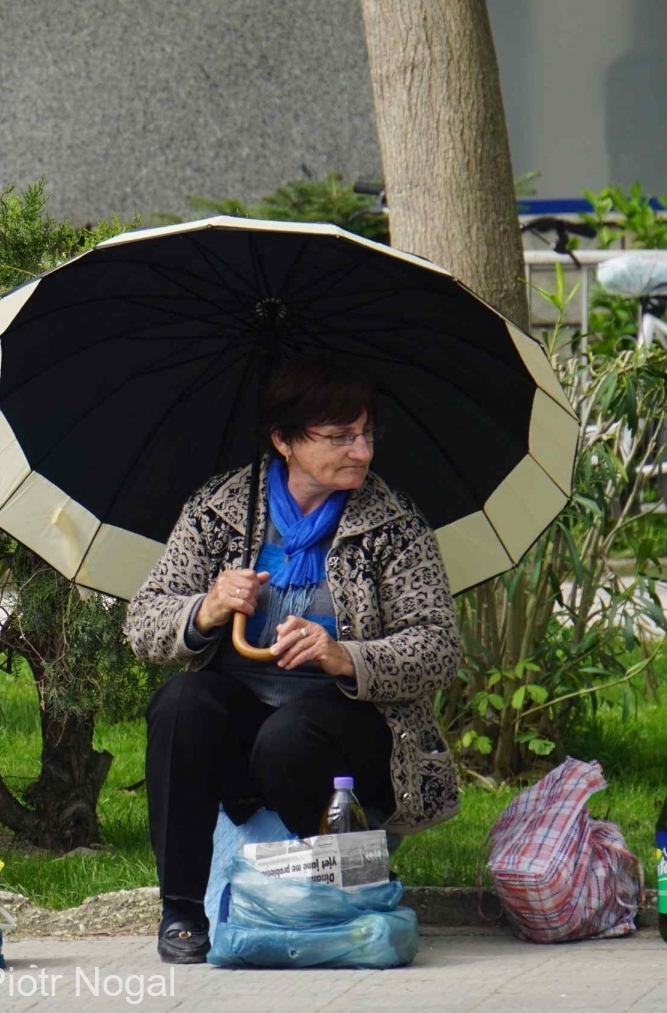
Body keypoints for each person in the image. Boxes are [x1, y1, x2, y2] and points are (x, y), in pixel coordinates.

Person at [123, 359, 461, 964]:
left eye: (367, 433)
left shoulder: (393, 523)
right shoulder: (221, 509)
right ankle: (182, 911)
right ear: (284, 440)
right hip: (243, 718)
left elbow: (438, 647)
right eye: (339, 437)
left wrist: (345, 656)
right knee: (180, 704)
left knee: (288, 738)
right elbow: (144, 622)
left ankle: (356, 880)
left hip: (347, 728)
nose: (361, 451)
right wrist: (206, 608)